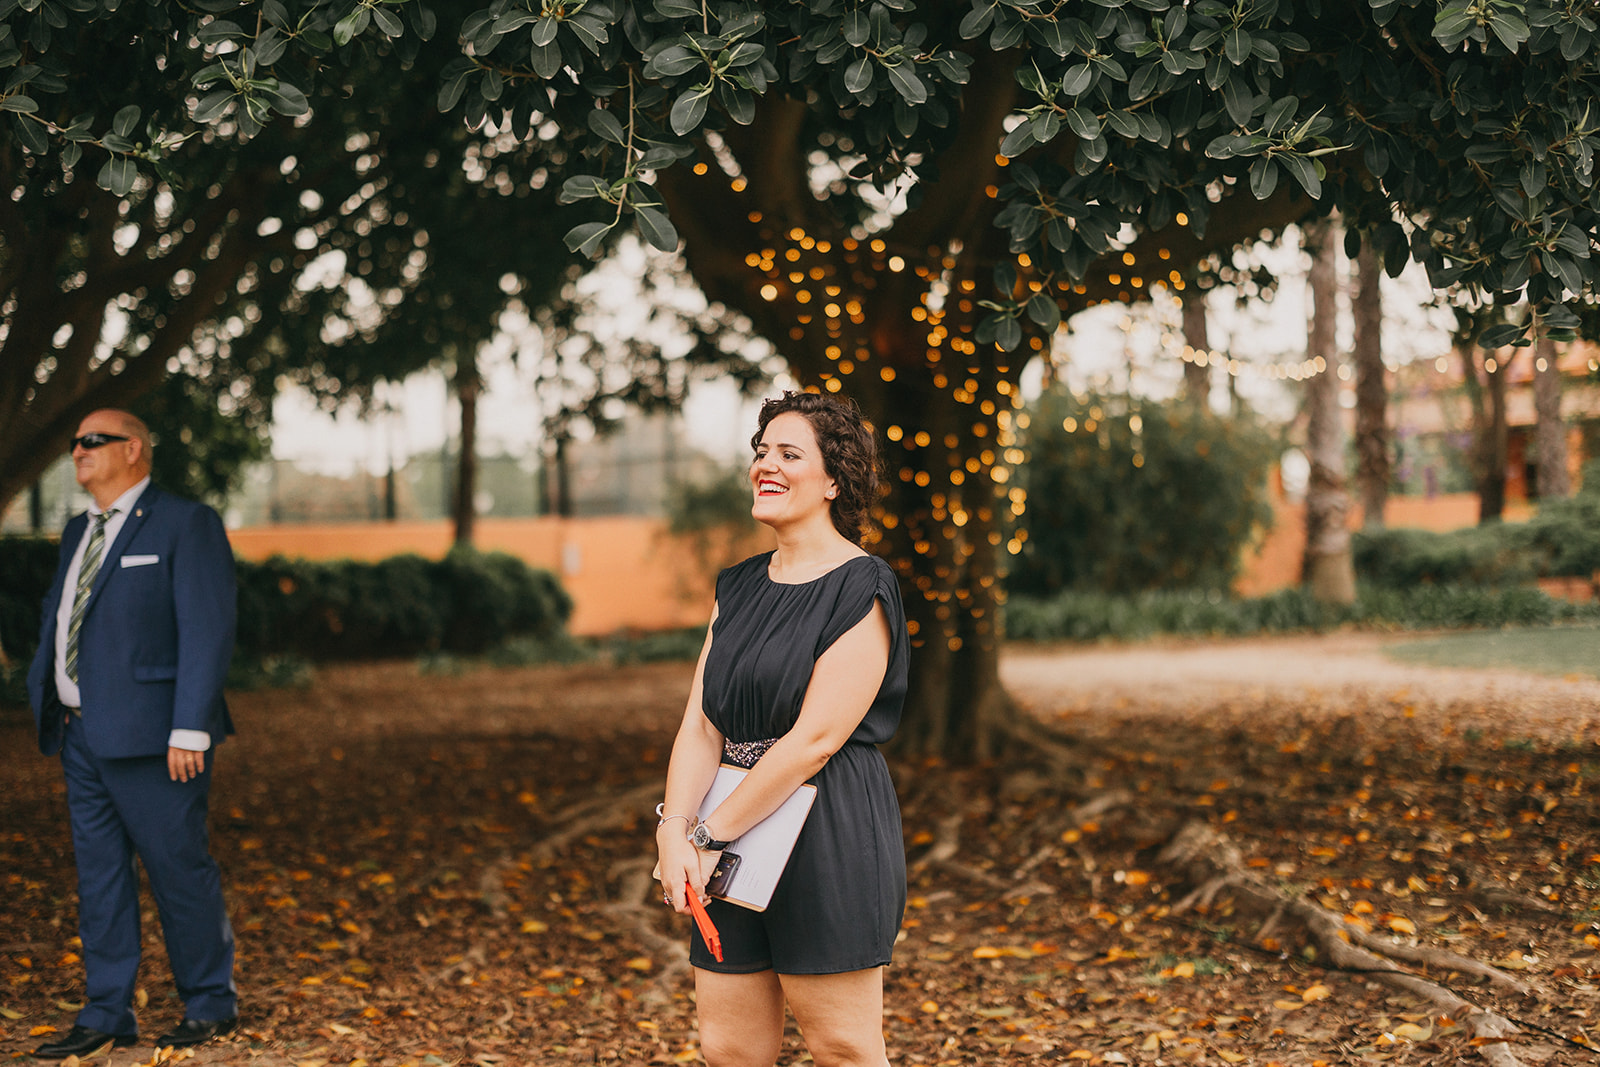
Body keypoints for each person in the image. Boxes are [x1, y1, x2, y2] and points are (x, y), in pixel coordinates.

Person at [655, 390, 910, 1067]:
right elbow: (702, 722)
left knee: (843, 1047)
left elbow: (815, 740)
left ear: (833, 480)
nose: (765, 463)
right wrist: (674, 829)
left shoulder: (864, 585)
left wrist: (710, 835)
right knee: (729, 1048)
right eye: (761, 450)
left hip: (827, 828)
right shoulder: (736, 587)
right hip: (726, 832)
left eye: (789, 453)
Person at [25, 409, 239, 1059]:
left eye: (94, 440)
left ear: (136, 449)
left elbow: (207, 627)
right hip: (81, 734)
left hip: (157, 737)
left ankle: (209, 1002)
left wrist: (190, 729)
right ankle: (106, 1010)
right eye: (75, 442)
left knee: (178, 869)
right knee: (99, 878)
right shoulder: (75, 531)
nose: (78, 449)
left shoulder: (184, 523)